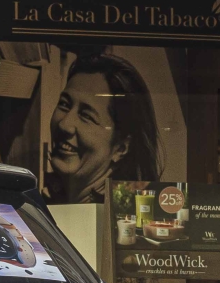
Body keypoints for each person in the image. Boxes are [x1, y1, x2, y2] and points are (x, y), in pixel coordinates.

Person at [50, 52, 162, 202]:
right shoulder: (52, 197)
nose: (65, 124)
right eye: (64, 104)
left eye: (87, 116)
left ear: (120, 148)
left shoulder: (127, 218)